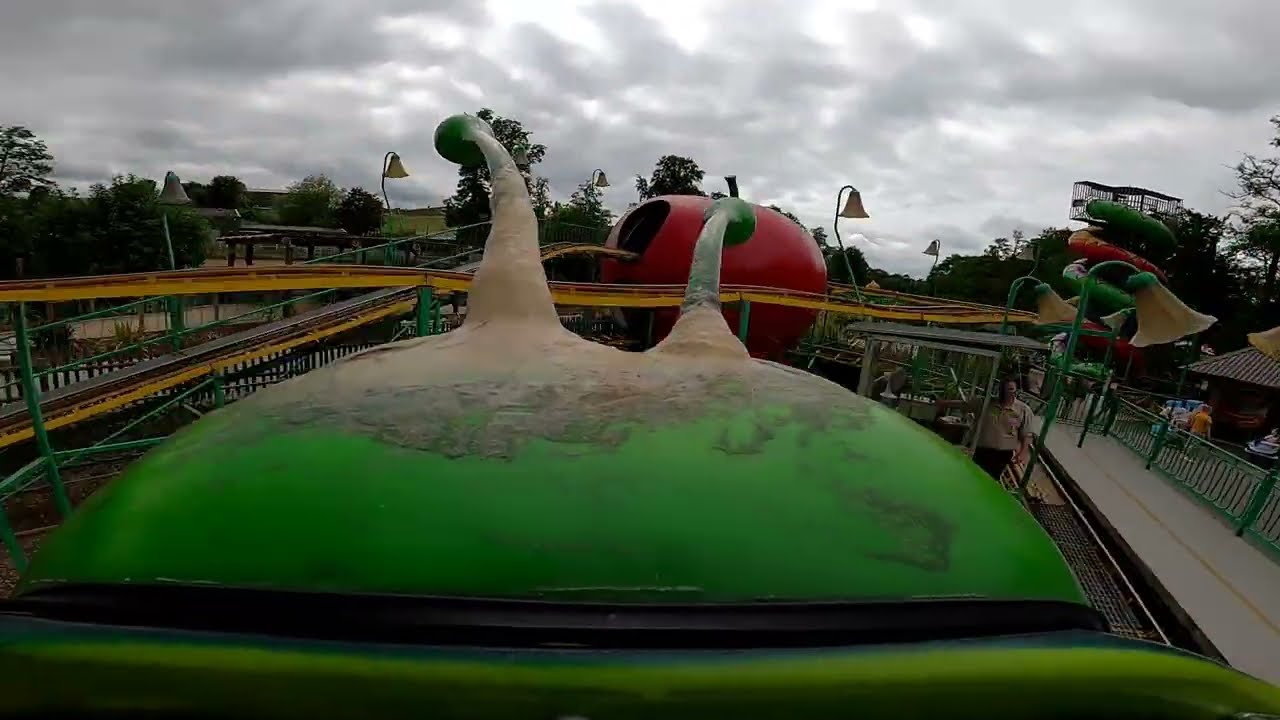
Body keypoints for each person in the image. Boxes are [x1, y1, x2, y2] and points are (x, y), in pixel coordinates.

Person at [940, 377, 1035, 480]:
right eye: (1004, 388)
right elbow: (964, 404)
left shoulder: (1023, 410)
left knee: (991, 478)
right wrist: (944, 403)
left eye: (1011, 389)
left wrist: (1022, 453)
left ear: (1016, 391)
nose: (1007, 392)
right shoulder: (985, 403)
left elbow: (1027, 434)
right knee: (972, 476)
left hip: (1002, 454)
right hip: (981, 449)